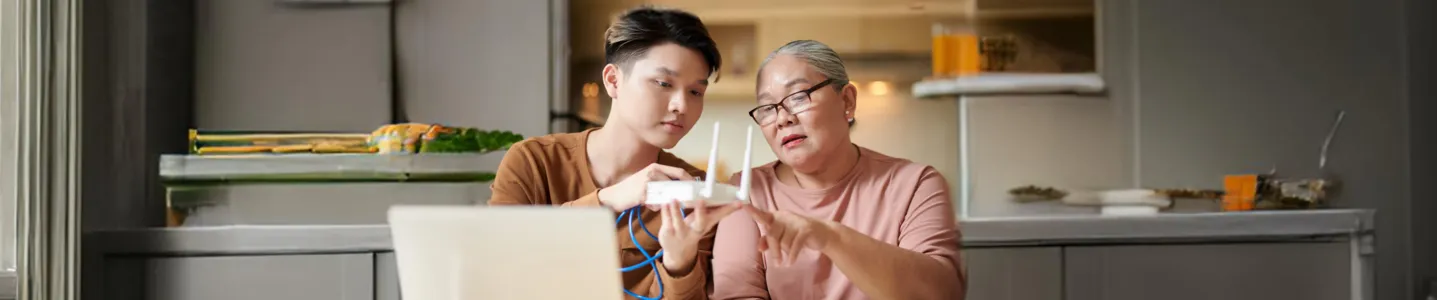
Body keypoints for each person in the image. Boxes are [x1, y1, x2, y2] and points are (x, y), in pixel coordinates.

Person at [489, 6, 740, 300]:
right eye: (663, 84)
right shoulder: (534, 161)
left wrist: (679, 264)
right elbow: (496, 268)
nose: (681, 105)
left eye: (696, 92)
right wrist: (606, 201)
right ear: (612, 81)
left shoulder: (694, 189)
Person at [710, 40, 967, 300]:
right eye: (767, 108)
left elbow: (941, 293)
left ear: (847, 100)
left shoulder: (915, 185)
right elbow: (737, 294)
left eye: (798, 97)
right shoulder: (747, 190)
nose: (782, 118)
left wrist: (831, 238)